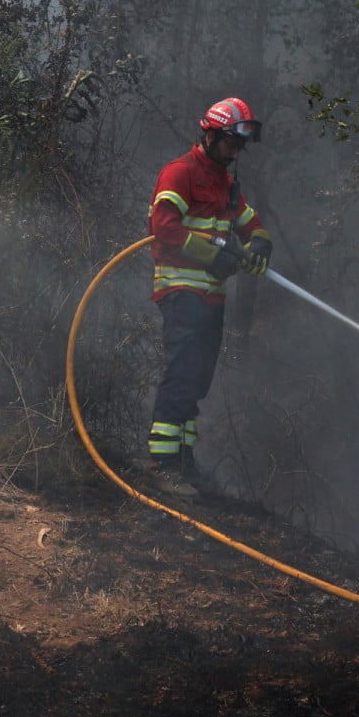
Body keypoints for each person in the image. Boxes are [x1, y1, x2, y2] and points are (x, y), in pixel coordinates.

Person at [143, 97, 274, 500]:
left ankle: (183, 462)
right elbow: (162, 227)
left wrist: (259, 247)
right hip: (180, 292)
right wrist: (214, 255)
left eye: (240, 147)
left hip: (211, 300)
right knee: (182, 375)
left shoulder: (227, 186)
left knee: (198, 380)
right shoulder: (180, 173)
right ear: (211, 135)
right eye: (230, 144)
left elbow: (252, 225)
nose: (235, 153)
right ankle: (162, 466)